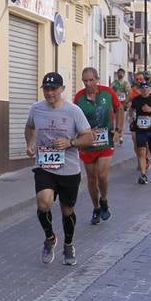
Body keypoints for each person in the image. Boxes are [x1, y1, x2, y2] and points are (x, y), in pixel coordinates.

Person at [27, 71, 94, 263]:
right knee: (43, 202)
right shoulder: (36, 109)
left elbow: (89, 137)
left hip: (69, 168)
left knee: (67, 210)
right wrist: (30, 143)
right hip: (44, 165)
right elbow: (29, 127)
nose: (50, 93)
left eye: (54, 89)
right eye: (46, 89)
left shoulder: (73, 111)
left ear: (62, 89)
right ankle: (50, 238)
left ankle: (68, 245)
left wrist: (70, 143)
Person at [72, 68, 116, 226]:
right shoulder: (79, 97)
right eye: (85, 80)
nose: (88, 83)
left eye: (91, 80)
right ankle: (96, 207)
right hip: (87, 142)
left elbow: (119, 109)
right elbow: (74, 117)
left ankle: (104, 199)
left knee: (102, 175)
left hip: (105, 141)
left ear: (97, 79)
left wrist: (118, 131)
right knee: (91, 178)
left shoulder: (108, 93)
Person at [127, 79, 151, 185]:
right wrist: (132, 118)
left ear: (150, 89)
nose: (144, 90)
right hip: (140, 129)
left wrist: (150, 110)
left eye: (146, 88)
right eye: (142, 88)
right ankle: (143, 175)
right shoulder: (136, 100)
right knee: (142, 151)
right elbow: (131, 110)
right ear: (140, 89)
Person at [109, 67, 130, 145]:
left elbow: (129, 92)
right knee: (115, 120)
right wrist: (115, 93)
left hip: (123, 103)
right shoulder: (114, 83)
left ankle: (121, 136)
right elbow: (110, 90)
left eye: (122, 73)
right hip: (115, 103)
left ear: (124, 74)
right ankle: (115, 134)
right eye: (119, 73)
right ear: (117, 74)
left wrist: (127, 102)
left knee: (122, 120)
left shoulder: (126, 83)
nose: (120, 74)